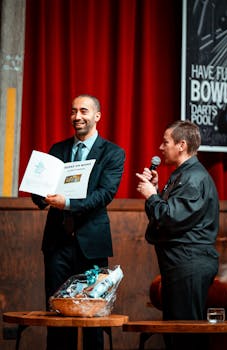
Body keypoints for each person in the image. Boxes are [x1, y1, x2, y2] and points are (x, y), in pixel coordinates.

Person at [32, 94, 125, 350]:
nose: (77, 117)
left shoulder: (113, 153)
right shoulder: (57, 150)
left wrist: (69, 204)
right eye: (73, 111)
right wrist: (40, 194)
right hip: (57, 244)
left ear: (97, 116)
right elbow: (39, 194)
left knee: (92, 318)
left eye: (83, 111)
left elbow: (105, 194)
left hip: (91, 245)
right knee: (56, 314)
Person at [136, 120, 219, 350]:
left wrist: (153, 196)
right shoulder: (182, 175)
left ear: (181, 145)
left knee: (186, 337)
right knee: (176, 335)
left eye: (165, 142)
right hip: (179, 265)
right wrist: (156, 191)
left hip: (189, 264)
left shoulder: (193, 178)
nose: (160, 148)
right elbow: (162, 217)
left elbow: (169, 218)